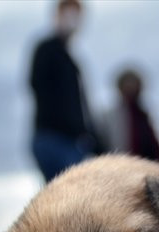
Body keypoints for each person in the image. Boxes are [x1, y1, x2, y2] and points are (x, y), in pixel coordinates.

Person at [28, 0, 98, 182]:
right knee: (68, 199)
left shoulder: (70, 58)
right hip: (53, 138)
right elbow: (36, 85)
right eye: (68, 14)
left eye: (77, 16)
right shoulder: (47, 49)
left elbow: (80, 102)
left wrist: (89, 133)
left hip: (72, 140)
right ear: (57, 16)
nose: (73, 21)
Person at [98, 68, 159, 163]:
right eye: (127, 84)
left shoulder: (144, 116)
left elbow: (155, 148)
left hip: (146, 167)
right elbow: (103, 144)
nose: (130, 88)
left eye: (134, 84)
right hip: (119, 166)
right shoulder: (110, 116)